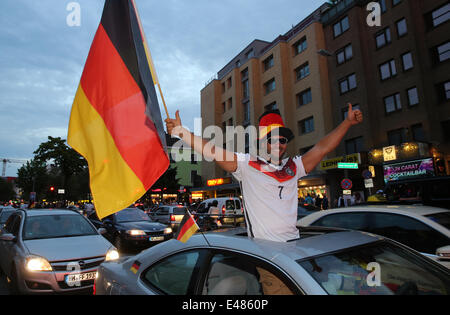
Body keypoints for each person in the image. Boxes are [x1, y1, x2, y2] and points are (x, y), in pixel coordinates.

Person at [166, 103, 363, 243]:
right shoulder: (246, 164)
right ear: (262, 142)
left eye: (283, 140)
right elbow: (211, 150)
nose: (279, 143)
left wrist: (347, 123)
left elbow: (322, 148)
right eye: (272, 139)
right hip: (268, 256)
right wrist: (181, 132)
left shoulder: (293, 167)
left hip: (295, 247)